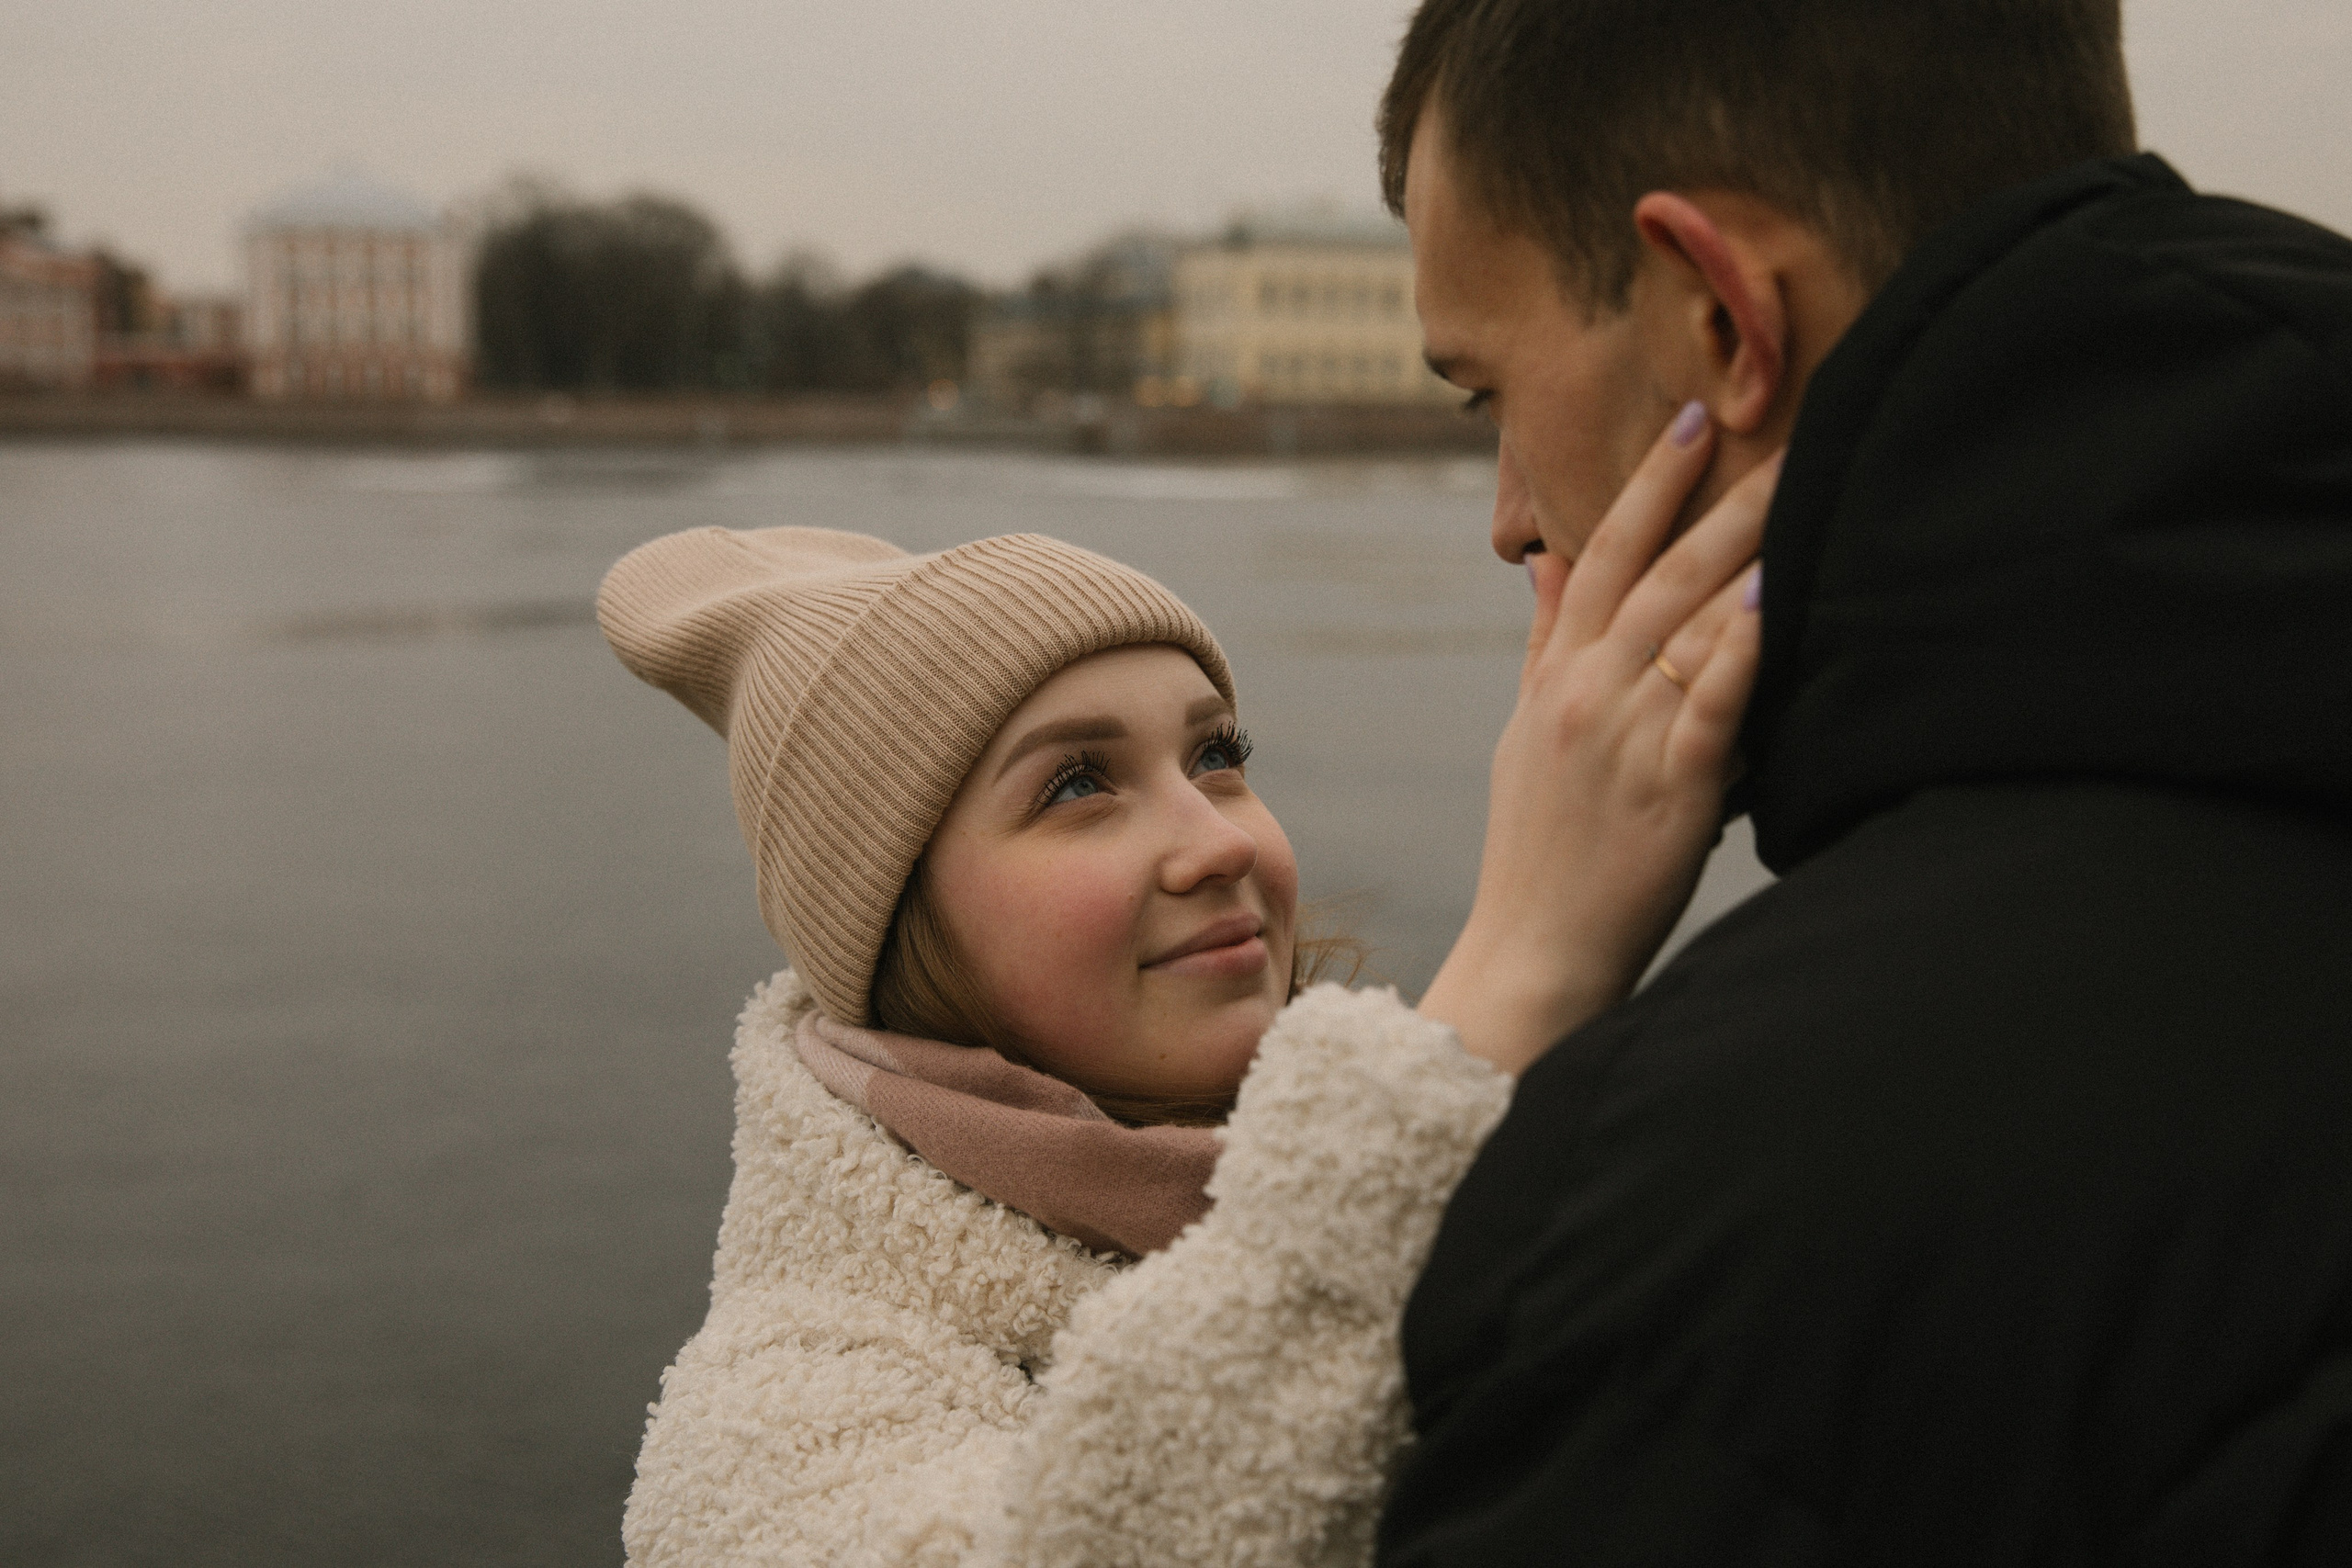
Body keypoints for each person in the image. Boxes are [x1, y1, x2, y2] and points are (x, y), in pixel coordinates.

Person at [1373, 1, 2352, 1562]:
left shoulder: (1701, 1228)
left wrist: (1524, 979)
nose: (1505, 520)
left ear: (1721, 320)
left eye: (1484, 393)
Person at [594, 489, 1766, 1566]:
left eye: (1215, 756)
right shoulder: (767, 1418)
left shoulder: (1422, 1179)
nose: (1219, 842)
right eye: (1074, 785)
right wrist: (1523, 970)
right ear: (895, 924)